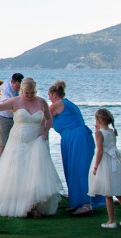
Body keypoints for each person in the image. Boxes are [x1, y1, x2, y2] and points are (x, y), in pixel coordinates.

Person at [0, 77, 61, 218]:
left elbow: (49, 118)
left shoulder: (41, 102)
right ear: (22, 90)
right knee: (17, 172)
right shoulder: (15, 101)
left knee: (35, 173)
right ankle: (18, 203)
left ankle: (33, 205)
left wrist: (46, 131)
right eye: (27, 93)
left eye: (32, 93)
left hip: (36, 141)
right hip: (18, 142)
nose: (29, 96)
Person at [48, 79, 105, 215]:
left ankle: (87, 204)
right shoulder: (68, 104)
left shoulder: (57, 105)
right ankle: (78, 202)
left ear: (54, 94)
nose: (49, 98)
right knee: (72, 170)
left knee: (80, 170)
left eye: (49, 95)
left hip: (76, 138)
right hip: (71, 139)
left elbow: (43, 118)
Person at [89, 108, 121, 228]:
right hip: (115, 161)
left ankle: (111, 221)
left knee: (108, 194)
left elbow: (99, 151)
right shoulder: (112, 131)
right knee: (118, 193)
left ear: (98, 120)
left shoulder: (99, 133)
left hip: (105, 162)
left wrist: (95, 166)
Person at [0, 73, 23, 153]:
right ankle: (3, 164)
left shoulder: (21, 88)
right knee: (3, 143)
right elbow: (7, 104)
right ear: (12, 82)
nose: (18, 89)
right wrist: (20, 113)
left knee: (15, 143)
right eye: (17, 87)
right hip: (2, 117)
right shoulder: (5, 88)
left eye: (20, 87)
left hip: (14, 117)